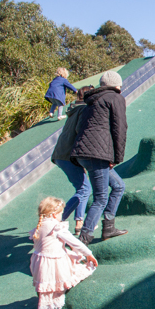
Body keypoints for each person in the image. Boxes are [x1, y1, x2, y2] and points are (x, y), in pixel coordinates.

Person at [29, 197, 97, 309]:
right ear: (54, 213)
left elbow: (49, 246)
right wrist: (88, 253)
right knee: (56, 302)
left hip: (41, 263)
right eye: (60, 212)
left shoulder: (40, 226)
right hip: (52, 265)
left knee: (50, 290)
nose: (61, 216)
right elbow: (75, 242)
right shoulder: (55, 226)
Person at [71, 71, 129, 245]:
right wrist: (116, 157)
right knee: (101, 198)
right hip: (97, 154)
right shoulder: (115, 97)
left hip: (84, 153)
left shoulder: (91, 102)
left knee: (118, 186)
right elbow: (120, 128)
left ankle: (108, 227)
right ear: (117, 85)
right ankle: (84, 239)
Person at [51, 86, 94, 234]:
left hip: (62, 154)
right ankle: (57, 219)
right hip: (67, 155)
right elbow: (80, 132)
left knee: (83, 188)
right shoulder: (83, 110)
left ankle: (78, 222)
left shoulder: (74, 109)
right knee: (84, 189)